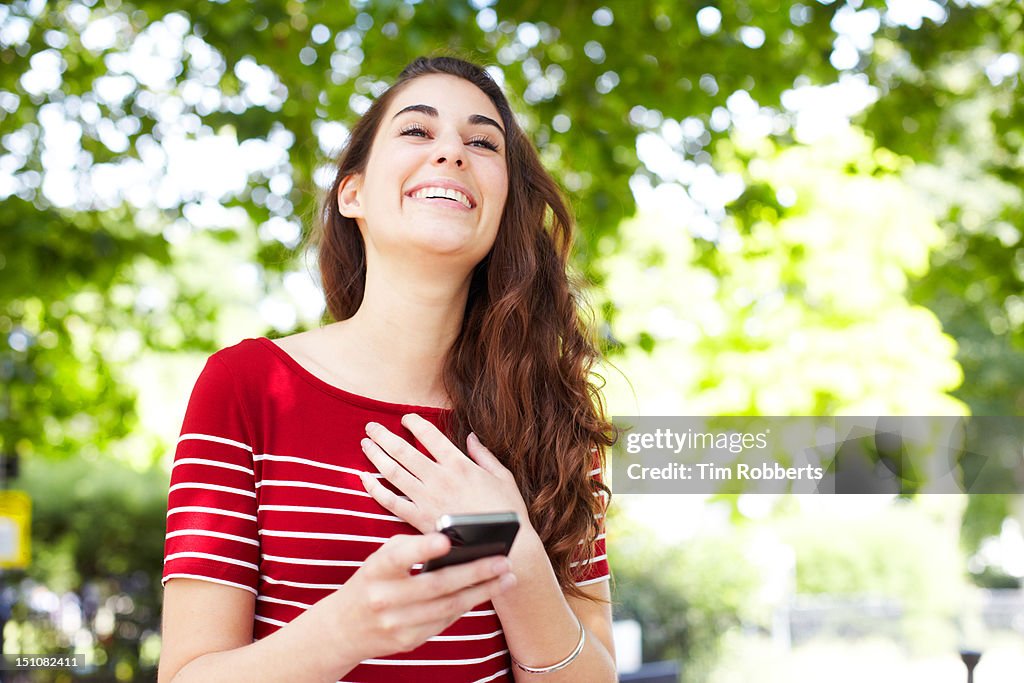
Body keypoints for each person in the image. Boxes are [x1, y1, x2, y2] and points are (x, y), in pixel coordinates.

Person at [158, 55, 616, 683]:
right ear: (353, 193)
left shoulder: (554, 416)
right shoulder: (247, 386)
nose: (452, 152)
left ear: (505, 206)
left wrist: (513, 553)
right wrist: (347, 629)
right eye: (417, 131)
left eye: (483, 142)